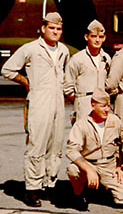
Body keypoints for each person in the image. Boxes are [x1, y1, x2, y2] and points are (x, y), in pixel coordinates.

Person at [1, 12, 69, 207]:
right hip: (39, 101)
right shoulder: (30, 49)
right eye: (52, 28)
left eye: (59, 29)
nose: (55, 32)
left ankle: (50, 185)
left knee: (55, 147)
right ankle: (32, 189)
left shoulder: (63, 50)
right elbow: (7, 69)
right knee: (36, 146)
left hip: (58, 103)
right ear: (43, 28)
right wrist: (24, 80)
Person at [65, 87, 123, 210]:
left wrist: (120, 166)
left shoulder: (115, 121)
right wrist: (88, 170)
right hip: (89, 163)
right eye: (103, 106)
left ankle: (105, 190)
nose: (107, 109)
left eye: (108, 106)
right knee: (72, 169)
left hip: (110, 166)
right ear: (93, 105)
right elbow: (71, 150)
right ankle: (79, 194)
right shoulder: (81, 124)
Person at [64, 19, 111, 122]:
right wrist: (80, 99)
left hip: (101, 106)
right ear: (86, 37)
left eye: (100, 37)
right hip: (84, 105)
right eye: (93, 36)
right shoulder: (77, 59)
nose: (97, 40)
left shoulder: (106, 58)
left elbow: (109, 82)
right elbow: (68, 87)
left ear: (104, 38)